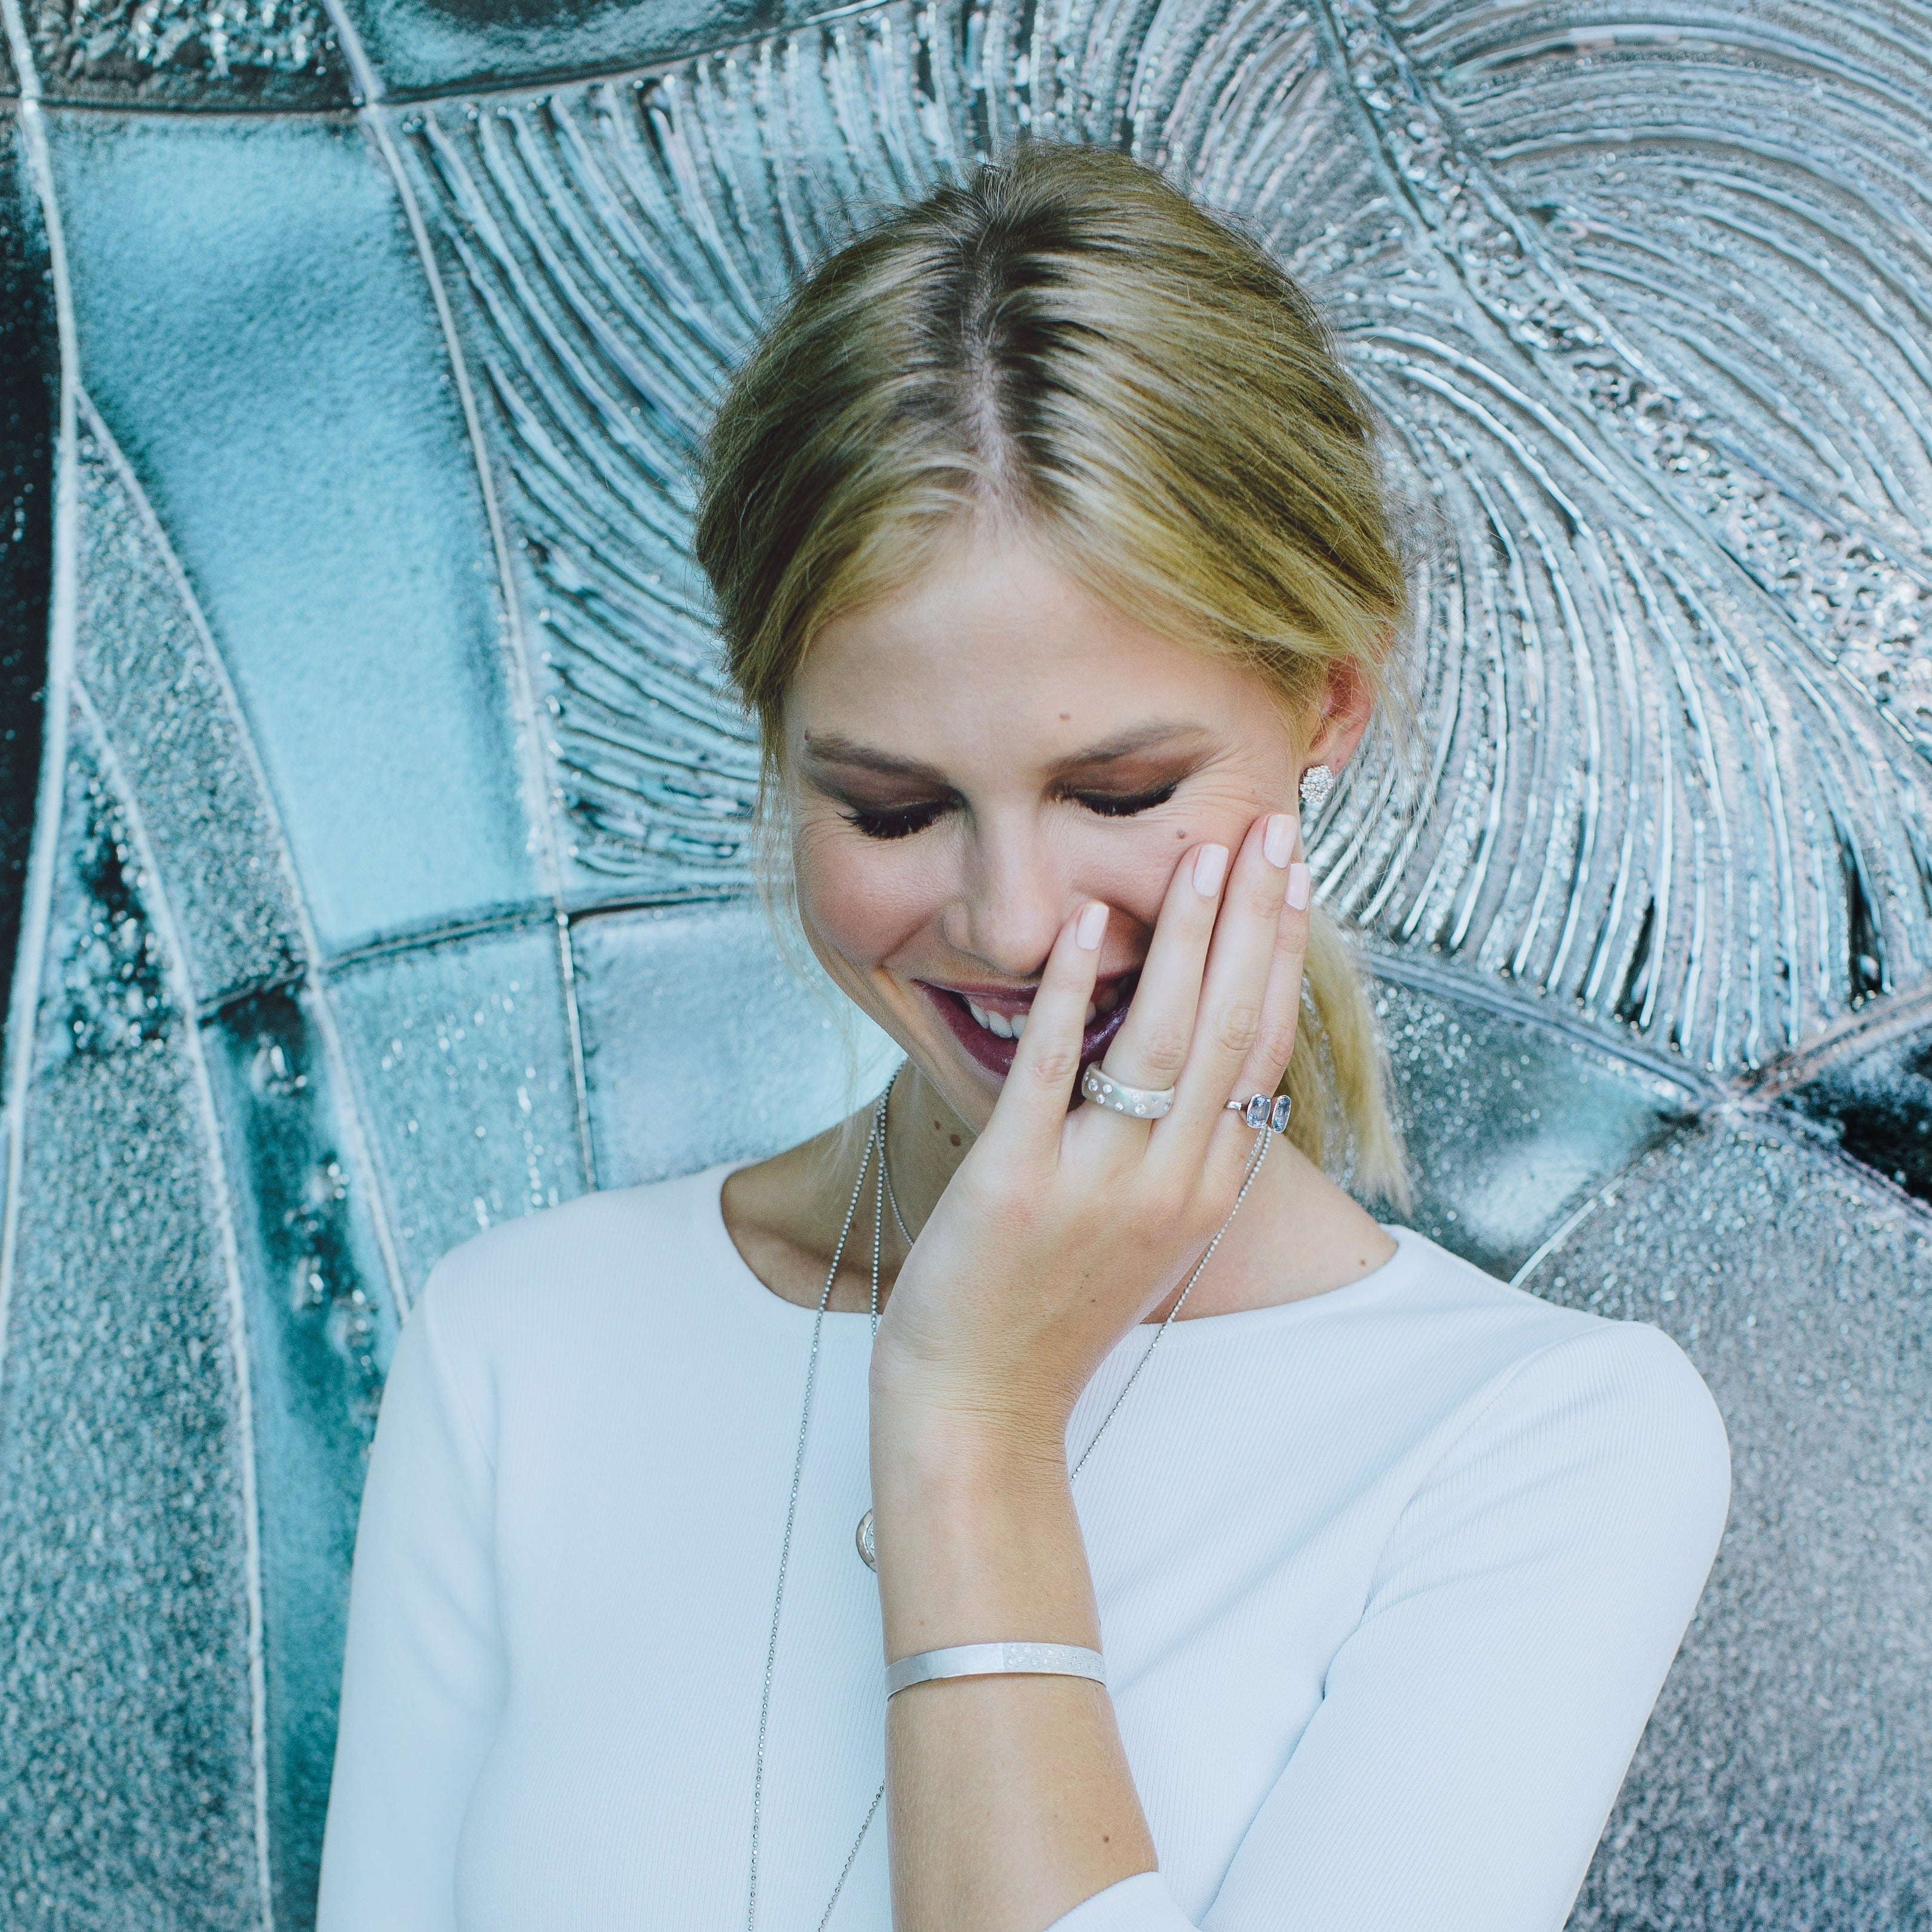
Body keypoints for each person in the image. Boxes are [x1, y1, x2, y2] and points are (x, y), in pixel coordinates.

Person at [315, 142, 1730, 1932]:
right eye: (893, 808)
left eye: (1118, 787)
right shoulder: (522, 1344)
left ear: (1329, 704)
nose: (1005, 920)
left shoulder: (1537, 1443)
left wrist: (970, 1425)